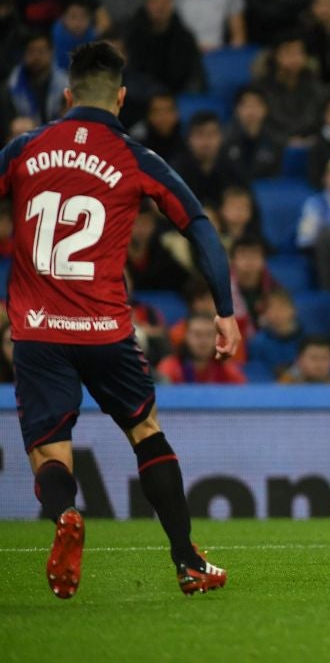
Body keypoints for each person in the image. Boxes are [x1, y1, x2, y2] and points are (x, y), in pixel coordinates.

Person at [0, 41, 234, 597]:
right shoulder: (135, 158)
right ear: (122, 98)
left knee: (49, 451)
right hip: (107, 332)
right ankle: (187, 561)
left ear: (66, 94)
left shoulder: (24, 149)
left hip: (36, 329)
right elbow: (198, 226)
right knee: (144, 432)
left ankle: (64, 516)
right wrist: (224, 311)